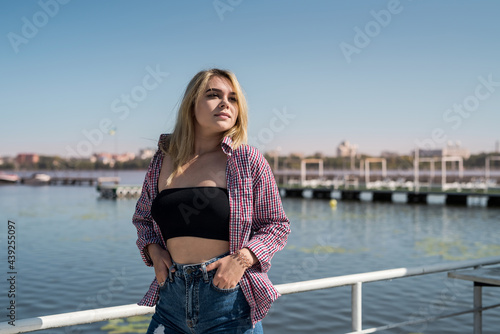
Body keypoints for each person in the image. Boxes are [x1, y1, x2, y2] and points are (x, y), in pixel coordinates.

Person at [133, 68, 291, 333]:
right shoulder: (163, 159)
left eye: (233, 98)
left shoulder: (246, 159)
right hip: (171, 300)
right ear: (191, 104)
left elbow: (277, 225)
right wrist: (153, 249)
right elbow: (142, 218)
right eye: (213, 95)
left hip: (228, 303)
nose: (225, 103)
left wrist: (242, 259)